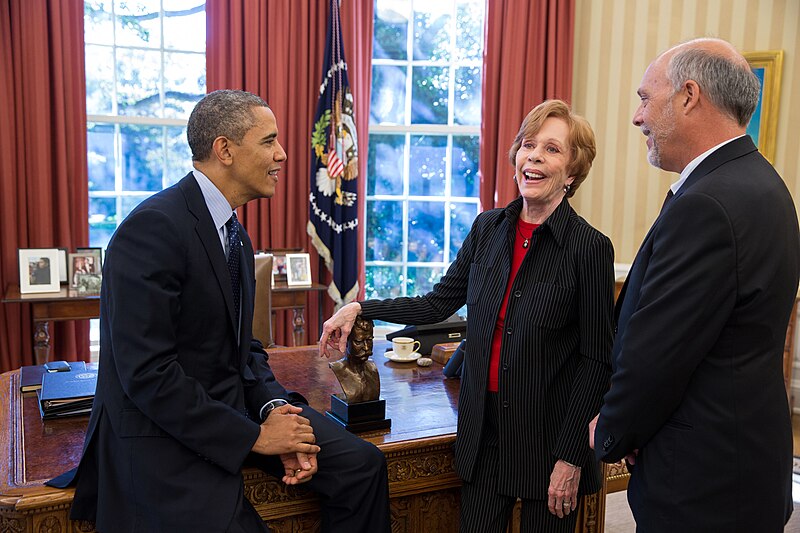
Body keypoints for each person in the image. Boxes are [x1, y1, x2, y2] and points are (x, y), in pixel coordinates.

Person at [49, 90, 390, 533]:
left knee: (362, 467)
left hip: (235, 412)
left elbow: (245, 347)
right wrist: (256, 438)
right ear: (225, 149)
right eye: (269, 141)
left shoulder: (233, 233)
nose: (283, 154)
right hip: (163, 435)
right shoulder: (152, 229)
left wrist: (272, 410)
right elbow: (148, 375)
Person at [320, 99, 614, 533]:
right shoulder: (487, 229)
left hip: (548, 438)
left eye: (552, 149)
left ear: (573, 172)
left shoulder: (590, 248)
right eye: (528, 144)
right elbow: (435, 304)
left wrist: (570, 456)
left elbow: (596, 361)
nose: (533, 155)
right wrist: (362, 308)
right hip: (484, 434)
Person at [590, 38, 800, 532]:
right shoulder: (765, 184)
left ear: (688, 95)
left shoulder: (708, 203)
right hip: (743, 461)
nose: (638, 117)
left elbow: (659, 352)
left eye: (645, 98)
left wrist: (614, 431)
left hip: (702, 481)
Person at [329, 315, 380, 403]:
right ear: (344, 341)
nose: (366, 348)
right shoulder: (338, 368)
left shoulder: (372, 368)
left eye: (369, 340)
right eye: (358, 342)